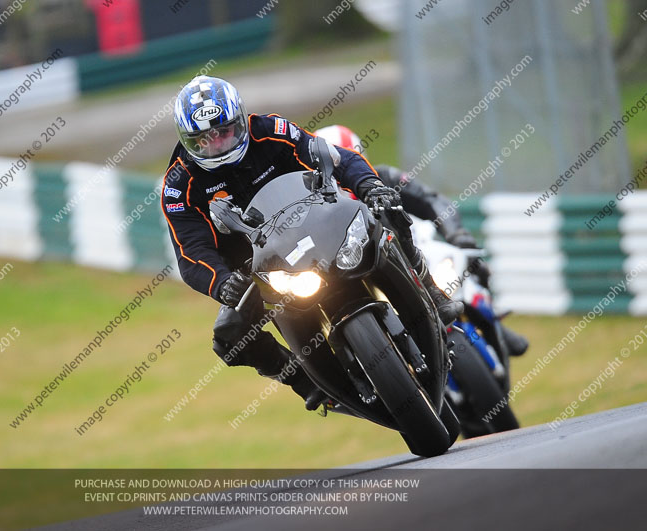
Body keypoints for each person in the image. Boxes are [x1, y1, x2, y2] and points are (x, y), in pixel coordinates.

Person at [161, 76, 463, 410]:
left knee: (387, 208)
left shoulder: (270, 129)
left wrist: (369, 186)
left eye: (224, 131)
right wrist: (222, 284)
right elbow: (191, 253)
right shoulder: (179, 186)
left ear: (241, 121)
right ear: (187, 140)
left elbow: (338, 158)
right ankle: (303, 381)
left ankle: (431, 291)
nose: (216, 143)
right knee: (228, 336)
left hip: (315, 223)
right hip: (255, 266)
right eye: (203, 139)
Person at [315, 125, 529, 357]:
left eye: (344, 161)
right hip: (371, 273)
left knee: (470, 261)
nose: (339, 174)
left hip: (419, 250)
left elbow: (431, 200)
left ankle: (493, 322)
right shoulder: (321, 210)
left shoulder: (384, 177)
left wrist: (456, 233)